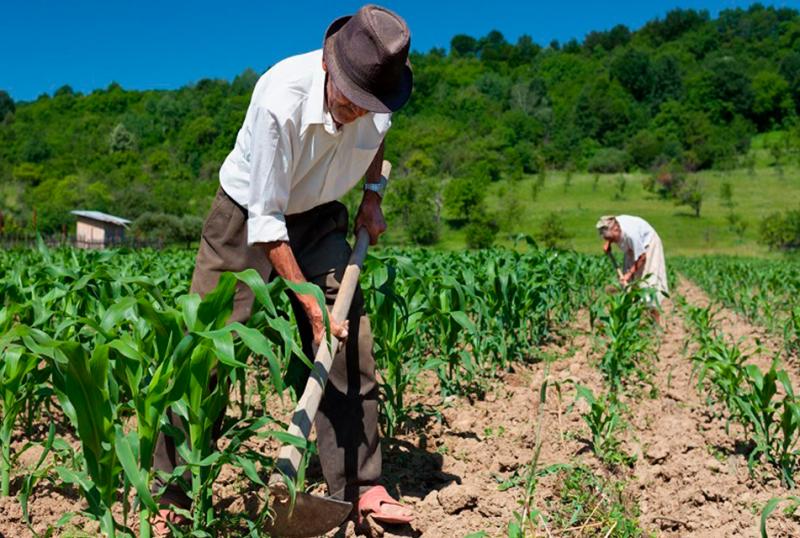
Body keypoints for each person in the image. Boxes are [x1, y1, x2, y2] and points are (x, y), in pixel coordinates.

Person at [151, 5, 414, 534]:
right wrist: (306, 302)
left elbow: (378, 139)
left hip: (321, 214)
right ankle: (169, 488)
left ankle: (361, 487)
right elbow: (267, 223)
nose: (356, 113)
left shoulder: (379, 98)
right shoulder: (279, 98)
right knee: (208, 346)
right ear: (327, 64)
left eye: (368, 105)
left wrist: (373, 196)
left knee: (348, 341)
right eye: (348, 99)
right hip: (248, 212)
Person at [596, 215, 669, 321]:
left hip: (648, 246)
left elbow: (642, 257)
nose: (611, 240)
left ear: (616, 230)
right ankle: (632, 319)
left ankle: (654, 323)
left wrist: (629, 274)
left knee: (648, 284)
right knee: (628, 285)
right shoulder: (612, 223)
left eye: (611, 238)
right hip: (632, 247)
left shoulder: (631, 234)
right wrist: (608, 242)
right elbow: (609, 232)